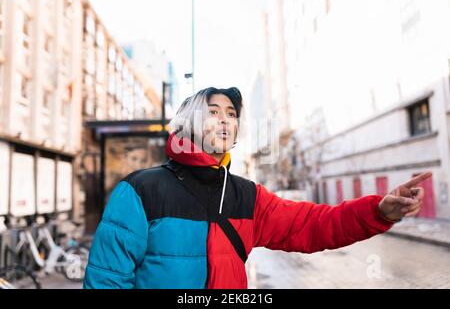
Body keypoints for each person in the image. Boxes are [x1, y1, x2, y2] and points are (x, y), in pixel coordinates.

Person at [83, 86, 431, 289]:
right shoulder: (140, 190)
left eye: (232, 114)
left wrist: (378, 211)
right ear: (188, 122)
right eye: (213, 111)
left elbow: (314, 225)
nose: (225, 119)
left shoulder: (247, 196)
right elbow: (107, 279)